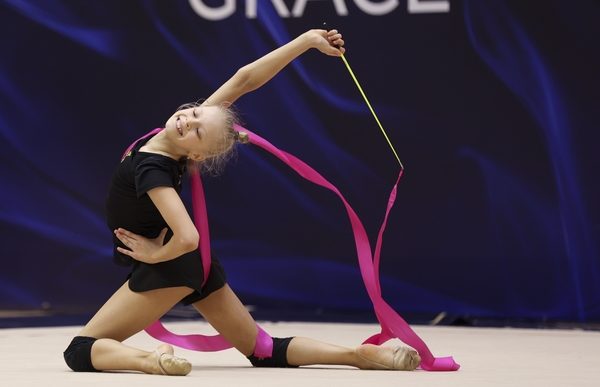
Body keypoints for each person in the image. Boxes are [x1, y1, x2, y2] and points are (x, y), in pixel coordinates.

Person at [63, 28, 421, 375]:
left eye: (198, 127)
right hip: (194, 265)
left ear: (198, 156)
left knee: (80, 350)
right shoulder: (178, 140)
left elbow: (188, 237)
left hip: (170, 265)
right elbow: (244, 79)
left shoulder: (154, 168)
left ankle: (152, 359)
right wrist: (305, 42)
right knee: (263, 349)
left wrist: (153, 255)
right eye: (193, 112)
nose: (189, 120)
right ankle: (360, 355)